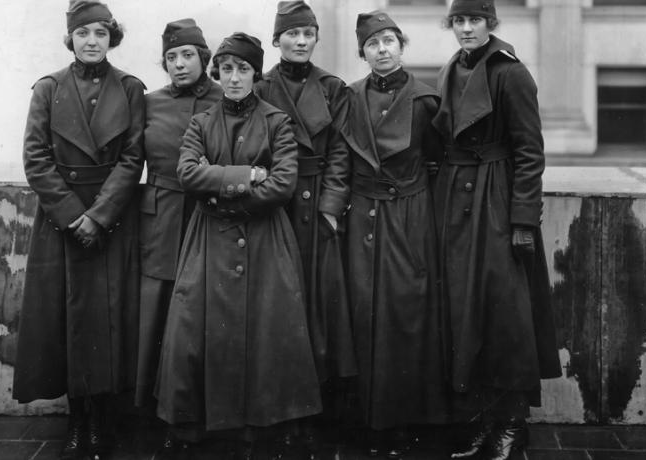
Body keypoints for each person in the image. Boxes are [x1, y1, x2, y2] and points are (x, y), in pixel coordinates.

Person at [154, 32, 321, 459]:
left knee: (272, 328)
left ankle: (270, 423)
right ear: (217, 73)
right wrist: (247, 176)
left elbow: (283, 184)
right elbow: (189, 174)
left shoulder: (277, 121)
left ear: (255, 73)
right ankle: (203, 423)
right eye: (225, 69)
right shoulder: (201, 122)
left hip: (266, 240)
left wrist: (220, 185)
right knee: (195, 327)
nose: (232, 78)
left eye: (242, 69)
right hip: (210, 238)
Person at [12, 1, 145, 458]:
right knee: (66, 322)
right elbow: (35, 159)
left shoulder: (130, 89)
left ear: (113, 39)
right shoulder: (48, 89)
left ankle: (105, 419)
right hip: (61, 223)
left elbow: (132, 158)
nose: (92, 41)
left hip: (112, 221)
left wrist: (100, 215)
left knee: (110, 319)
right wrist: (73, 216)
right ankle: (77, 419)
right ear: (70, 39)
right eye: (83, 33)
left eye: (101, 34)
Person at [432, 1, 561, 459]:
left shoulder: (510, 73)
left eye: (475, 20)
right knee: (467, 317)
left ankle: (512, 425)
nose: (467, 29)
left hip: (497, 203)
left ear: (490, 23)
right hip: (457, 202)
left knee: (506, 318)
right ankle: (485, 421)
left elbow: (530, 152)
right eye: (460, 21)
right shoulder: (453, 67)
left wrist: (523, 220)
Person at [343, 11, 448, 459]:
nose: (382, 50)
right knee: (363, 311)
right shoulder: (348, 98)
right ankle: (371, 420)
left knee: (408, 311)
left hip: (410, 213)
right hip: (363, 215)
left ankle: (408, 419)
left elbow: (440, 160)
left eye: (389, 41)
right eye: (372, 44)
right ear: (362, 53)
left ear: (401, 46)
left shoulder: (426, 100)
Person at [254, 1, 356, 453]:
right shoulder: (260, 86)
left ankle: (319, 412)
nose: (299, 41)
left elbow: (340, 152)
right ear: (276, 40)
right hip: (276, 206)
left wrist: (332, 205)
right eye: (291, 34)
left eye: (307, 34)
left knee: (321, 306)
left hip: (318, 211)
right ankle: (279, 411)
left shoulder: (332, 88)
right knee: (278, 305)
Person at [135, 18, 222, 451]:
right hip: (164, 219)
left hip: (210, 218)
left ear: (204, 59)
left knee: (208, 314)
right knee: (163, 317)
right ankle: (164, 420)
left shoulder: (228, 97)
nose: (179, 64)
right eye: (171, 57)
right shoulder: (149, 103)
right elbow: (130, 160)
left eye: (188, 54)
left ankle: (209, 418)